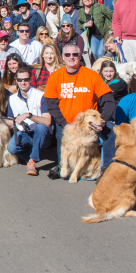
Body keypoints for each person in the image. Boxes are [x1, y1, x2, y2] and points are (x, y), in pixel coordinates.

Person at [44, 44, 115, 176]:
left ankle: (107, 169)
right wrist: (64, 123)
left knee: (111, 131)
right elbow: (51, 103)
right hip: (66, 124)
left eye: (75, 54)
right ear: (62, 58)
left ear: (80, 56)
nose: (71, 57)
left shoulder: (92, 75)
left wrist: (103, 119)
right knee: (65, 168)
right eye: (68, 55)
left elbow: (109, 100)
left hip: (88, 126)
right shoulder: (55, 77)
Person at [5, 67, 53, 176]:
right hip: (24, 133)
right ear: (16, 80)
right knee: (11, 148)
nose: (23, 82)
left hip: (41, 134)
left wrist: (29, 115)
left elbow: (47, 121)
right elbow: (9, 122)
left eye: (26, 79)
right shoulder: (12, 98)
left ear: (31, 80)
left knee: (41, 127)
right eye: (20, 80)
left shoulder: (40, 95)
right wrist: (12, 121)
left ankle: (32, 160)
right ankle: (33, 155)